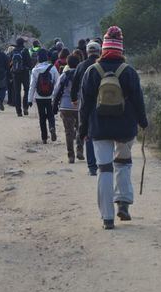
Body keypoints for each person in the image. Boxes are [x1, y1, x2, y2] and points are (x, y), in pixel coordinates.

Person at [79, 26, 148, 230]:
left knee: (104, 169)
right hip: (125, 127)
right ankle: (124, 202)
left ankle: (107, 217)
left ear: (103, 48)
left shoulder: (92, 72)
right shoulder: (129, 72)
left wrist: (82, 131)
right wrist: (143, 122)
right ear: (121, 49)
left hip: (99, 128)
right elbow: (138, 100)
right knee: (124, 164)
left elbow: (84, 105)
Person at [71, 41, 102, 176]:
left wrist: (74, 99)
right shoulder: (102, 65)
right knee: (103, 135)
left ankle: (92, 167)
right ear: (99, 51)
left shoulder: (81, 65)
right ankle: (104, 162)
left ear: (87, 52)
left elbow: (74, 84)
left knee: (88, 134)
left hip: (86, 104)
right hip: (104, 104)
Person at [53, 54, 84, 163]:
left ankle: (71, 156)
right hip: (79, 106)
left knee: (68, 132)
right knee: (80, 129)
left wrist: (55, 104)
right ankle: (80, 150)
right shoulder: (82, 75)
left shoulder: (64, 75)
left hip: (65, 106)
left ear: (67, 63)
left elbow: (56, 91)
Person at [27, 48, 59, 144]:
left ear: (38, 58)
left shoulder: (35, 70)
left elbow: (32, 86)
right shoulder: (52, 68)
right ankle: (52, 127)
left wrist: (29, 100)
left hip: (39, 97)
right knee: (50, 114)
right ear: (47, 57)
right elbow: (57, 83)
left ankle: (44, 137)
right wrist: (57, 98)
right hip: (50, 97)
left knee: (42, 117)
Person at [10, 37, 32, 117]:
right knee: (26, 90)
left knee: (17, 92)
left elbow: (10, 63)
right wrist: (29, 68)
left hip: (15, 74)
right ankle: (25, 108)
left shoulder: (13, 51)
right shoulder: (25, 50)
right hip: (25, 73)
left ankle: (18, 111)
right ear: (23, 43)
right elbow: (29, 63)